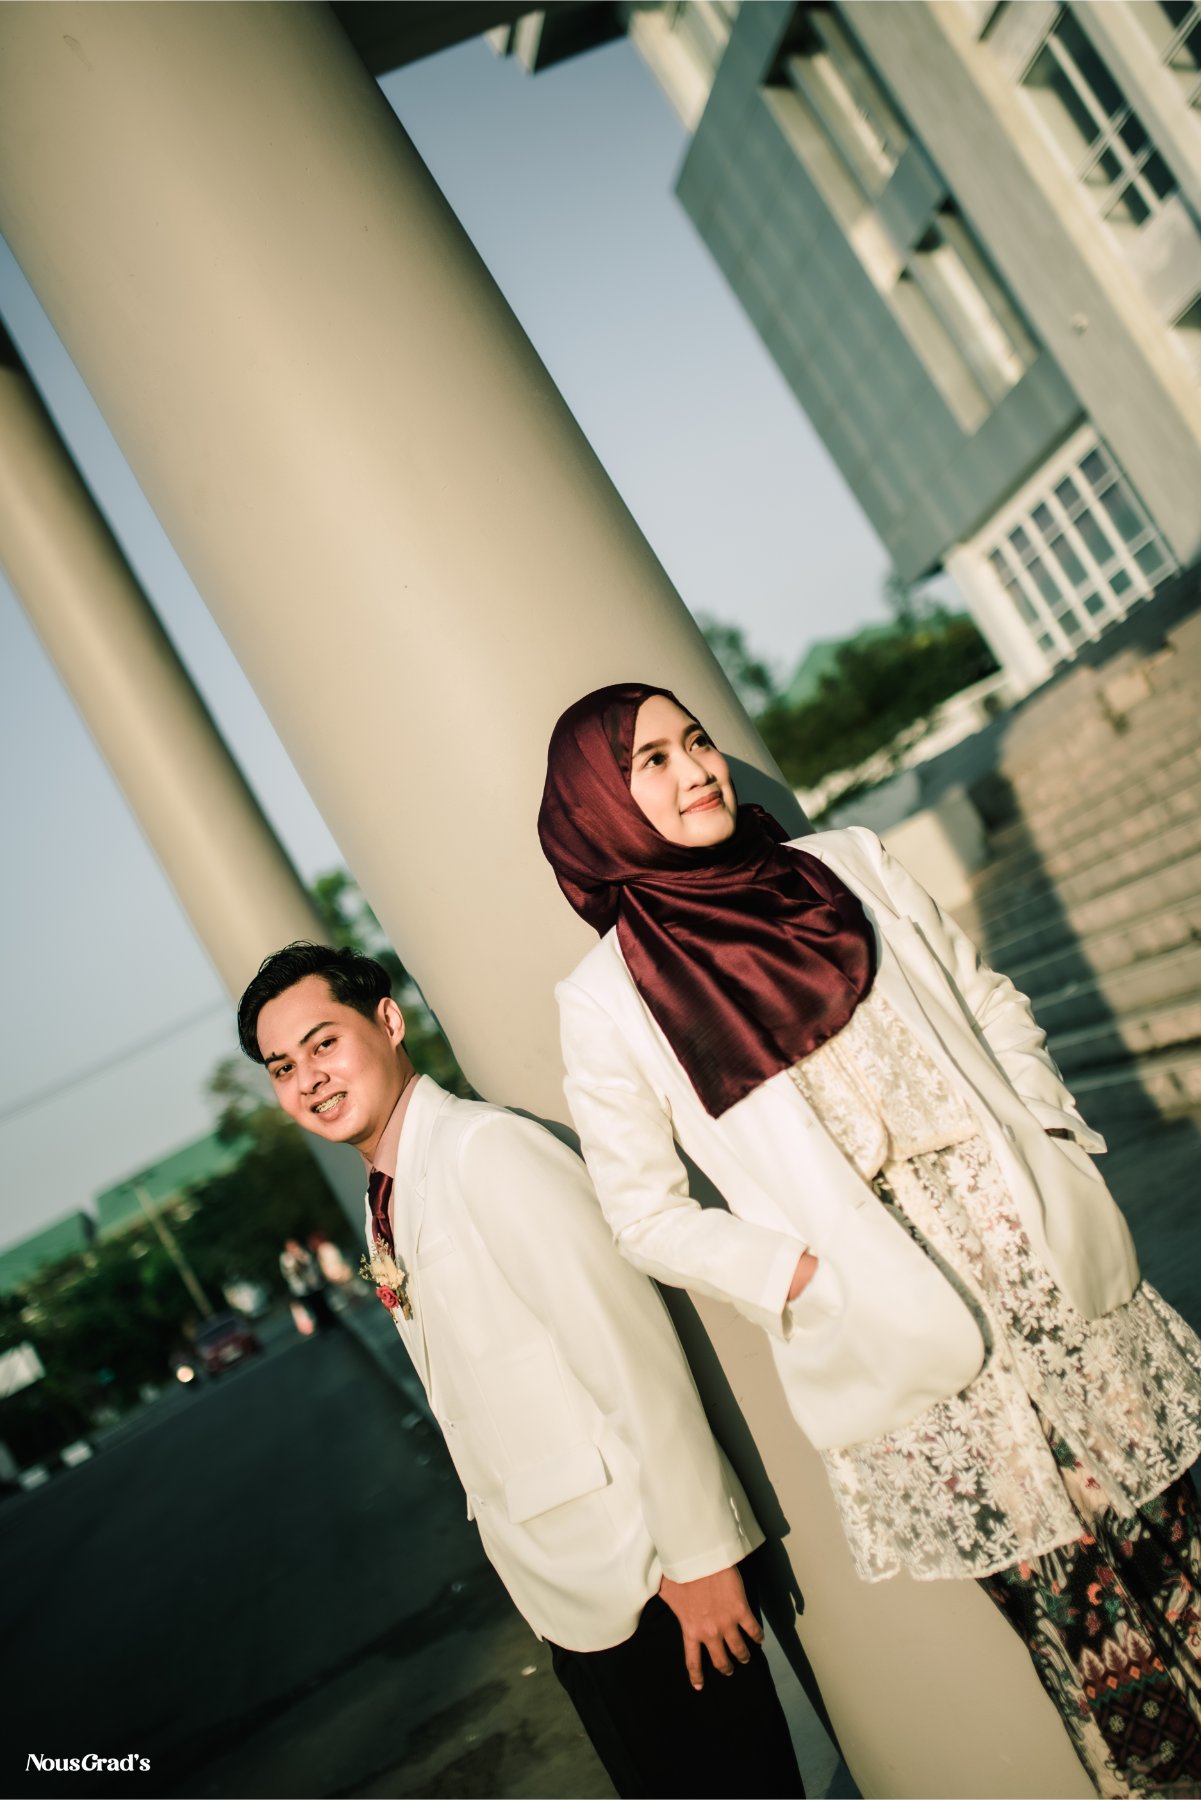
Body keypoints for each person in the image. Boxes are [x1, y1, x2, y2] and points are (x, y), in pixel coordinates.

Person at [538, 681, 1201, 1800]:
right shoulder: (606, 997)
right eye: (651, 760)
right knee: (1085, 1637)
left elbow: (989, 1002)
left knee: (1181, 1535)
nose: (696, 769)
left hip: (1040, 1262)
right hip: (901, 1331)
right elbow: (641, 1212)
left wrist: (1047, 1133)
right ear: (599, 804)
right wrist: (801, 1281)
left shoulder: (844, 864)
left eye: (696, 740)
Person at [237, 942, 805, 1800]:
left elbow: (627, 1352)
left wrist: (699, 1557)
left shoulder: (486, 1151)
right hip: (568, 1595)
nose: (308, 1079)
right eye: (283, 1067)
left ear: (387, 1021)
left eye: (324, 1043)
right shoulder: (387, 1192)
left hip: (649, 1577)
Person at [278, 1235, 336, 1334]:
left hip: (314, 1284)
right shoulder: (286, 1259)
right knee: (313, 1307)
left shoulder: (303, 1251)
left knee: (322, 1304)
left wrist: (299, 1256)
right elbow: (289, 1273)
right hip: (302, 1289)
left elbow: (310, 1263)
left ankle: (331, 1321)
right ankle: (323, 1326)